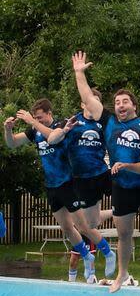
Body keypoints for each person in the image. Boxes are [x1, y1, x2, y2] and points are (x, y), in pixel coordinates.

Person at [71, 51, 140, 292]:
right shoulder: (109, 122)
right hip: (122, 187)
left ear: (134, 105)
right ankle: (122, 274)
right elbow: (87, 98)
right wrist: (79, 73)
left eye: (125, 101)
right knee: (124, 235)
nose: (120, 105)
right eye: (117, 102)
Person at [3, 98, 99, 281]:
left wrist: (32, 121)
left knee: (83, 226)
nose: (38, 121)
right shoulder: (35, 131)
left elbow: (52, 137)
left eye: (41, 117)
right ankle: (87, 255)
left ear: (49, 113)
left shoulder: (62, 124)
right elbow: (12, 143)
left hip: (69, 183)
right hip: (52, 186)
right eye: (36, 118)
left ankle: (97, 257)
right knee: (66, 228)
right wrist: (7, 129)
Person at [48, 87, 116, 278]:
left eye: (96, 102)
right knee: (90, 224)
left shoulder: (103, 124)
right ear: (83, 103)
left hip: (103, 173)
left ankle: (126, 208)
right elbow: (52, 140)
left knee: (127, 193)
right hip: (81, 179)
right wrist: (64, 130)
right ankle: (100, 254)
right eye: (89, 101)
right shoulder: (72, 121)